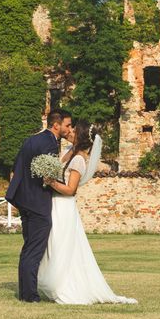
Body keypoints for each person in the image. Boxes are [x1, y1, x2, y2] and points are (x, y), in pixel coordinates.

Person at [39, 120, 137, 305]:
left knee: (62, 246)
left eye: (74, 130)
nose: (70, 131)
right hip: (56, 204)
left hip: (64, 206)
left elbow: (70, 189)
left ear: (81, 136)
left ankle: (66, 286)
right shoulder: (70, 152)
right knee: (56, 245)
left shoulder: (78, 159)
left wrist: (50, 182)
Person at [5, 109, 72, 303]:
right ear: (56, 125)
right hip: (37, 202)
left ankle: (26, 292)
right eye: (67, 125)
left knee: (28, 248)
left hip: (23, 199)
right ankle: (30, 296)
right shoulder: (50, 143)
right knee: (34, 250)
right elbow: (48, 176)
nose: (69, 128)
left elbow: (16, 168)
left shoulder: (31, 140)